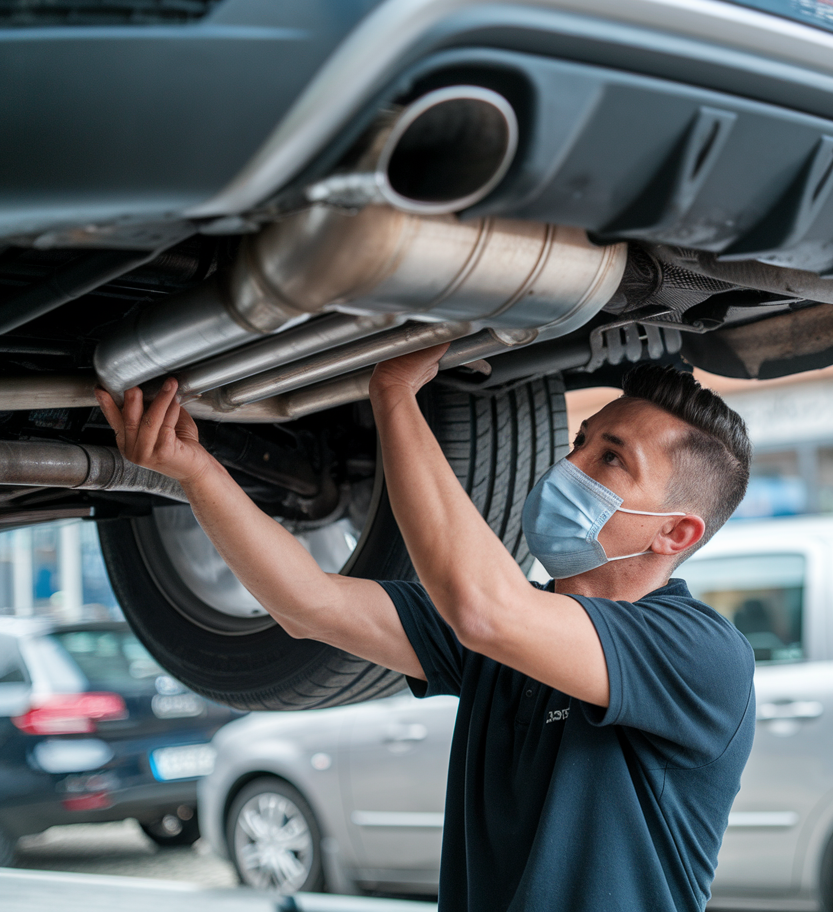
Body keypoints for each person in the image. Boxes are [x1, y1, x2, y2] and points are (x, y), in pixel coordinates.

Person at [95, 351, 756, 912]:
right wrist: (196, 472)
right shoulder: (507, 644)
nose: (571, 466)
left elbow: (484, 609)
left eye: (611, 460)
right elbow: (307, 603)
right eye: (580, 441)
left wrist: (395, 395)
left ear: (676, 532)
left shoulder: (697, 651)